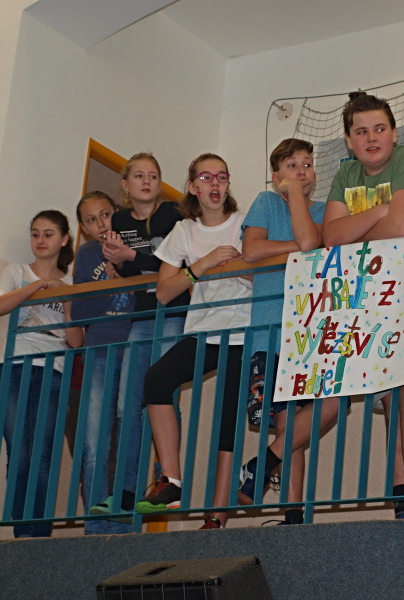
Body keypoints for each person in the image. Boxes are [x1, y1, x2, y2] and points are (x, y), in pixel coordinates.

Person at [322, 92, 404, 518]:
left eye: (379, 129)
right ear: (348, 140)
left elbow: (402, 226)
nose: (371, 138)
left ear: (394, 133)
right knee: (392, 396)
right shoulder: (345, 173)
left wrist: (363, 226)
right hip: (371, 300)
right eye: (361, 132)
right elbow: (330, 238)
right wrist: (382, 210)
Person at [134, 153, 252, 529]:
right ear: (193, 187)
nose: (214, 184)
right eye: (206, 177)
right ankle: (171, 481)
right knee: (156, 379)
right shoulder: (185, 230)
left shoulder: (246, 222)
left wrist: (237, 268)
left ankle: (216, 516)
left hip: (244, 332)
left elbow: (270, 272)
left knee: (228, 420)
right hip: (203, 331)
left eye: (221, 176)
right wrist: (202, 265)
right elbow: (164, 292)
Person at [239, 138, 340, 527]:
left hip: (313, 331)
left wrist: (298, 204)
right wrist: (298, 246)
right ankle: (293, 515)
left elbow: (314, 241)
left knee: (332, 404)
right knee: (286, 421)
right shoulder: (266, 203)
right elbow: (251, 250)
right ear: (275, 176)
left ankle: (261, 465)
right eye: (292, 165)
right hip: (271, 330)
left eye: (307, 164)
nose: (301, 171)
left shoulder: (325, 211)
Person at [100, 152, 189, 517]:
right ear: (125, 184)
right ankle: (124, 491)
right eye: (139, 175)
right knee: (127, 405)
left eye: (153, 175)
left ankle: (166, 481)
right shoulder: (120, 220)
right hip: (141, 316)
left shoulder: (173, 214)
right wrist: (116, 263)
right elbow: (130, 272)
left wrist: (130, 257)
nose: (147, 181)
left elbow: (177, 263)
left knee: (163, 395)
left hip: (172, 312)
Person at [0, 210, 83, 537]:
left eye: (48, 234)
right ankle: (22, 533)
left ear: (64, 239)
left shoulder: (72, 283)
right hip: (16, 367)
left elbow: (76, 341)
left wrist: (67, 301)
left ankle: (39, 536)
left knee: (43, 454)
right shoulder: (16, 272)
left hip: (53, 372)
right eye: (35, 234)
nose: (40, 240)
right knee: (19, 452)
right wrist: (38, 286)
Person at [72, 191, 135, 532]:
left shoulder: (133, 244)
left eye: (106, 214)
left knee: (129, 437)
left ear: (118, 213)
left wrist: (124, 278)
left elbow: (149, 297)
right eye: (91, 220)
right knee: (95, 440)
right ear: (83, 228)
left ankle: (123, 526)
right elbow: (80, 311)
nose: (100, 224)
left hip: (134, 348)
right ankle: (95, 527)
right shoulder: (86, 255)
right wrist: (110, 286)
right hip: (98, 349)